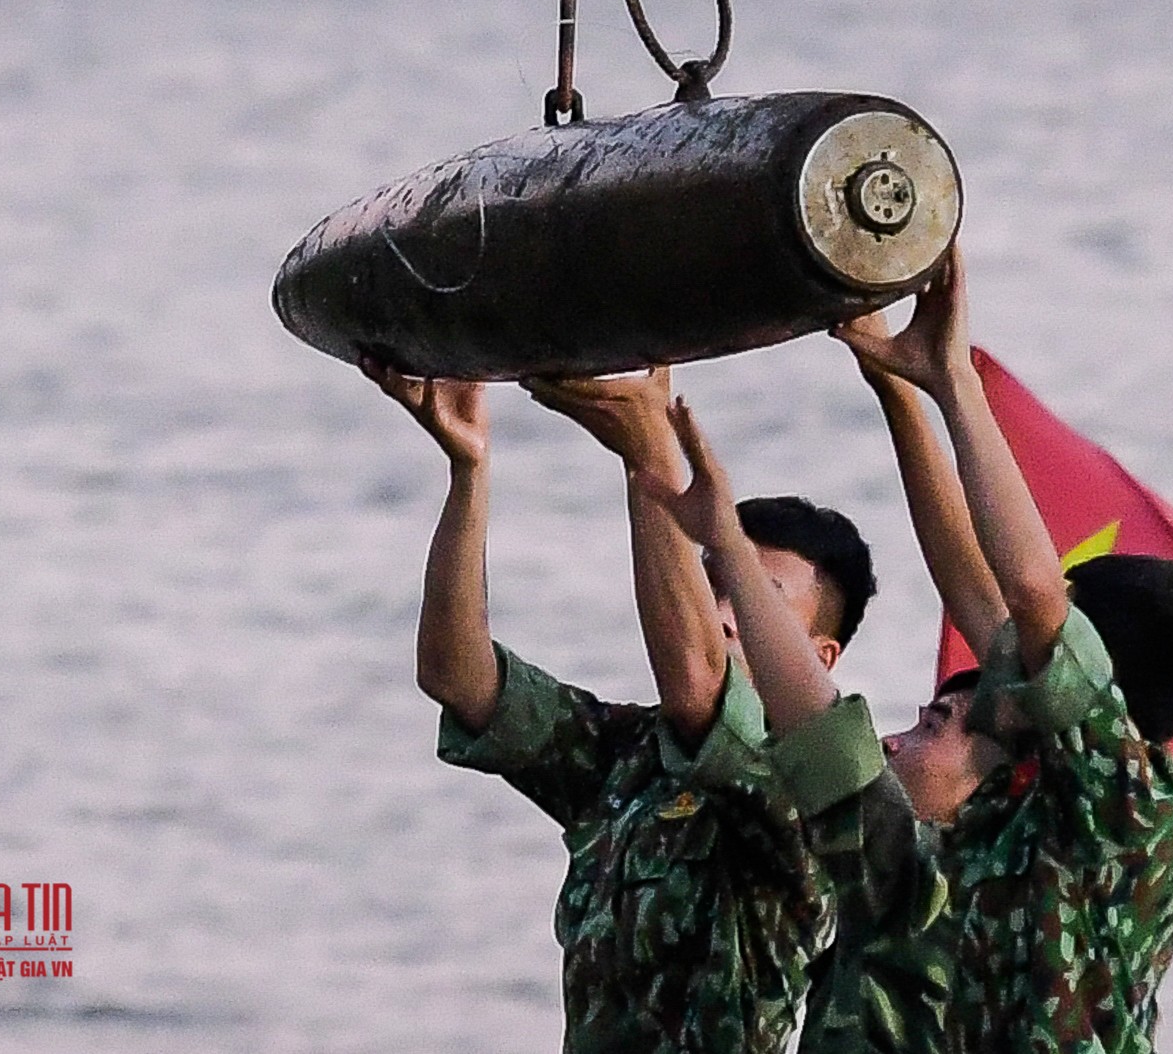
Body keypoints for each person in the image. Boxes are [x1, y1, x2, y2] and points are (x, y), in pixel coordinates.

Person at [633, 247, 1173, 1053]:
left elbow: (1022, 593)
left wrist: (955, 383)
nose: (1001, 646)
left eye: (1054, 632)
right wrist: (896, 382)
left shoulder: (1139, 816)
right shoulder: (981, 824)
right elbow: (967, 593)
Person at [360, 359, 875, 1053]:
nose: (724, 614)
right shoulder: (631, 757)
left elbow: (697, 681)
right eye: (711, 586)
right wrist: (469, 471)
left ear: (820, 657)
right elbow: (459, 677)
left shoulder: (811, 795)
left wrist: (649, 459)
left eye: (754, 598)